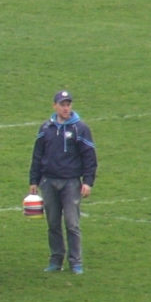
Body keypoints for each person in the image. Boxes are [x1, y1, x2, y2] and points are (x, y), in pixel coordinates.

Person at [29, 90, 97, 275]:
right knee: (53, 223)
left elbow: (89, 157)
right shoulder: (45, 128)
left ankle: (76, 262)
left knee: (72, 223)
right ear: (55, 106)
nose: (66, 108)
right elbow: (37, 155)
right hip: (48, 182)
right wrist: (34, 180)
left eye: (68, 104)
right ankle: (56, 259)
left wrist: (88, 181)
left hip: (71, 183)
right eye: (62, 105)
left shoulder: (80, 128)